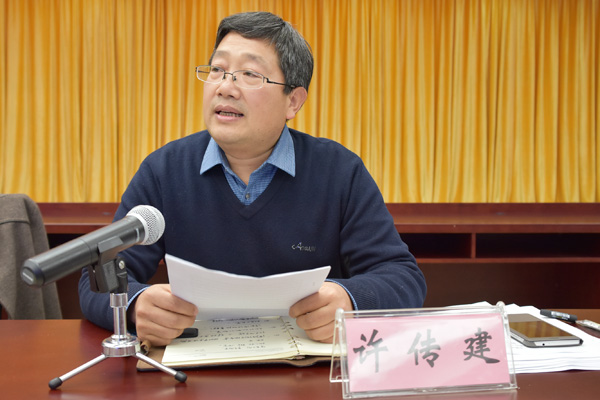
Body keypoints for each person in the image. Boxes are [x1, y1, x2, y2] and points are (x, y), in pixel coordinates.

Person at [79, 11, 426, 346]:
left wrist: (349, 298)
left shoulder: (339, 172)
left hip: (306, 370)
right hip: (198, 370)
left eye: (249, 74)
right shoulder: (164, 170)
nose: (225, 87)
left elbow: (402, 277)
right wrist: (136, 304)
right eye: (218, 70)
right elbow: (98, 278)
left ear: (293, 101)